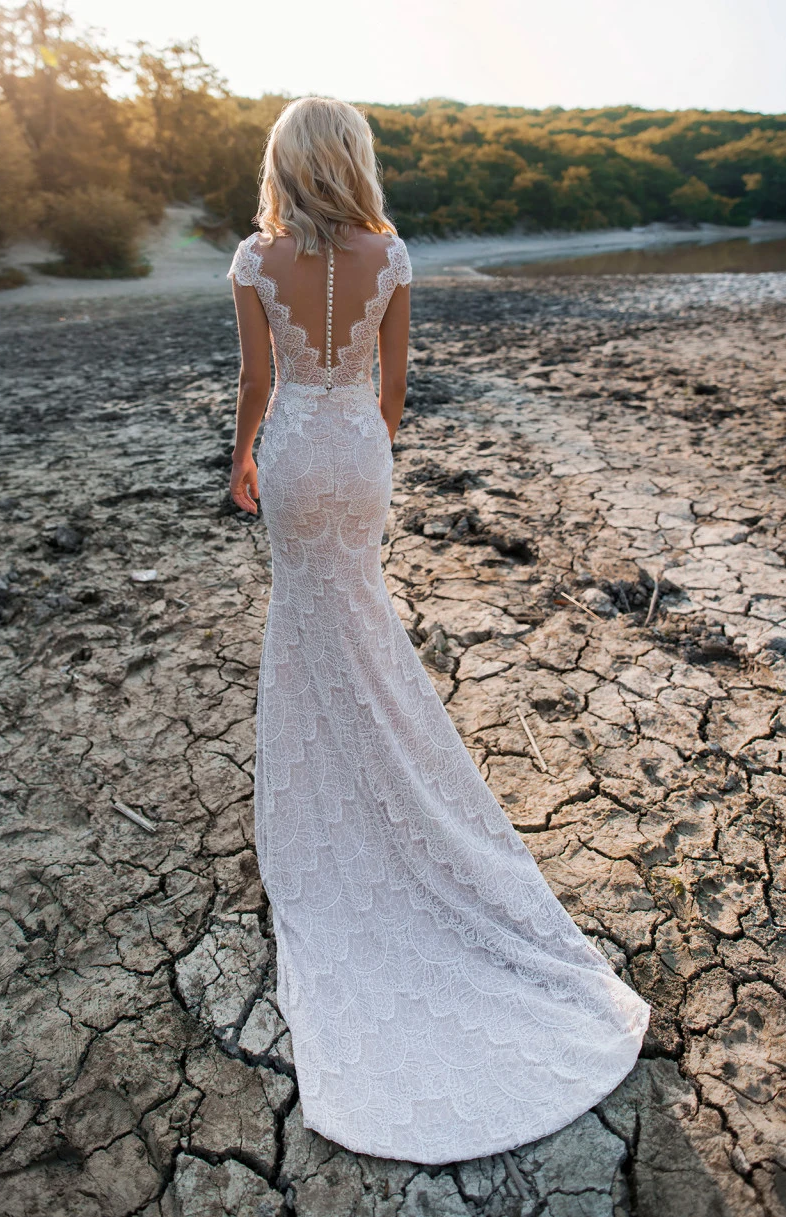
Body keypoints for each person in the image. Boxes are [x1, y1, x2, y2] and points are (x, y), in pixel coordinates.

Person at [227, 95, 649, 1165]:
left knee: (305, 624)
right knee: (360, 618)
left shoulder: (253, 260)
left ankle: (325, 805)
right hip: (357, 453)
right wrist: (368, 454)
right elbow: (395, 382)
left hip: (293, 456)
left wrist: (247, 455)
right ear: (353, 160)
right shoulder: (392, 253)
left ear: (286, 161)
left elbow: (258, 381)